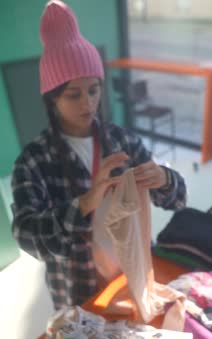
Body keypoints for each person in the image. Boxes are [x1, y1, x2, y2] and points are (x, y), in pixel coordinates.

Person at [11, 0, 186, 311]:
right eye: (73, 94)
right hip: (79, 286)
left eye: (94, 90)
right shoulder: (34, 161)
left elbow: (176, 201)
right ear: (52, 99)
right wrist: (86, 203)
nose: (88, 104)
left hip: (131, 273)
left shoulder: (123, 141)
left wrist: (164, 178)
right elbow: (26, 236)